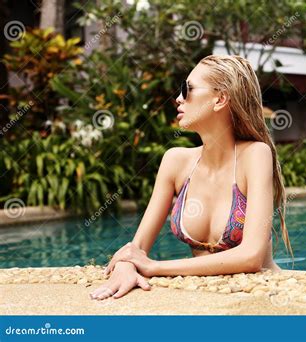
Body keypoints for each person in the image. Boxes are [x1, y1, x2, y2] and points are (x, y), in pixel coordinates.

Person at [90, 55, 293, 300]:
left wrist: (155, 267)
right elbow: (137, 248)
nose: (178, 98)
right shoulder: (175, 161)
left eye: (188, 89)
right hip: (213, 300)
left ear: (220, 99)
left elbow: (251, 256)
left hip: (265, 298)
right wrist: (125, 265)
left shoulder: (255, 155)